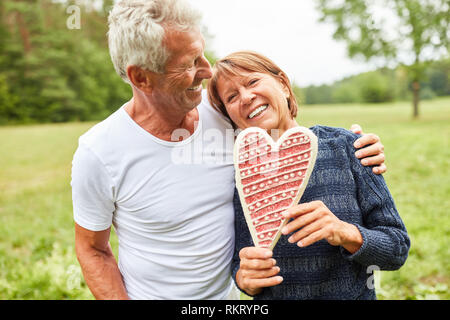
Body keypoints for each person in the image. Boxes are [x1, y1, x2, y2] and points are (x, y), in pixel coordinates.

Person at [71, 0, 388, 300]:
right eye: (190, 63)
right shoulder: (98, 153)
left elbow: (287, 135)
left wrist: (354, 145)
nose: (207, 70)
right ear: (141, 77)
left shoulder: (224, 112)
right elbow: (93, 249)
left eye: (202, 53)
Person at [207, 51, 410, 299]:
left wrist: (344, 232)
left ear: (282, 83)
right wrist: (245, 279)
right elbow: (241, 262)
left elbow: (396, 249)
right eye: (231, 96)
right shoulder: (241, 172)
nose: (246, 97)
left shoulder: (348, 147)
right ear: (229, 115)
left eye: (252, 82)